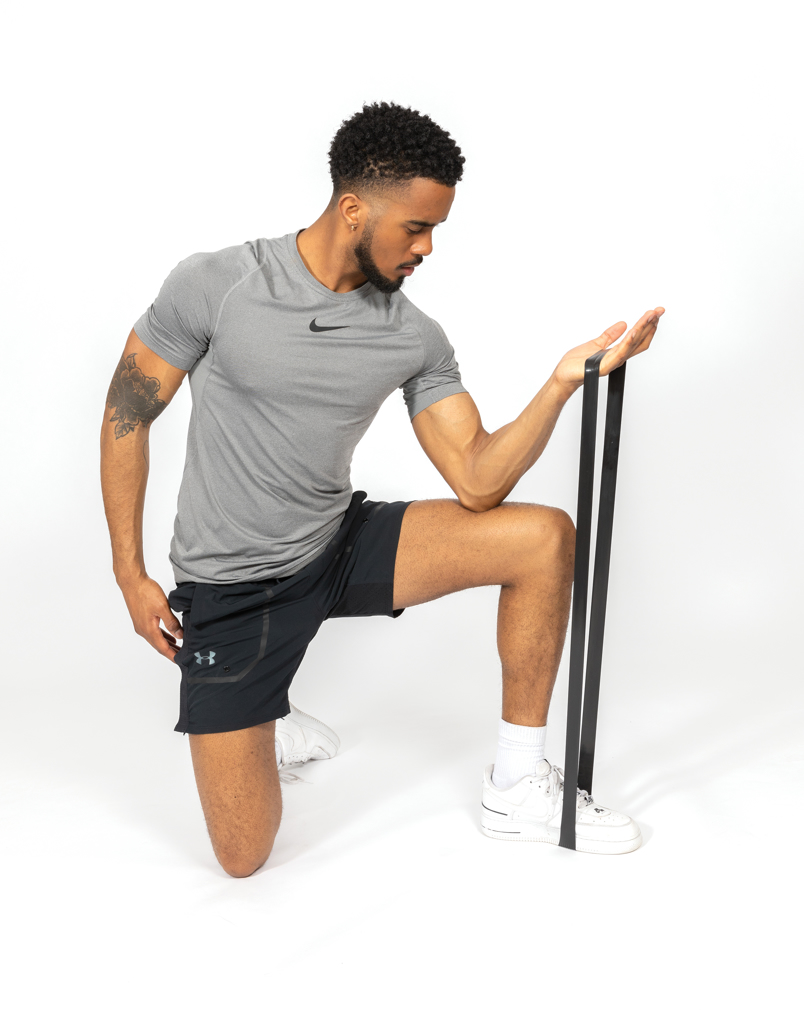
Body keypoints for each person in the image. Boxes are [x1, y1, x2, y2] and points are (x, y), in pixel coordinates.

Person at [100, 101, 663, 876]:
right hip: (232, 586)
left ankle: (515, 785)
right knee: (243, 856)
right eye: (416, 228)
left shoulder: (411, 335)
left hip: (333, 544)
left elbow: (477, 480)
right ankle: (267, 706)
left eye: (436, 230)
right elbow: (126, 414)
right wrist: (129, 574)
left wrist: (562, 382)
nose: (427, 248)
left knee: (542, 537)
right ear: (354, 209)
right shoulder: (220, 284)